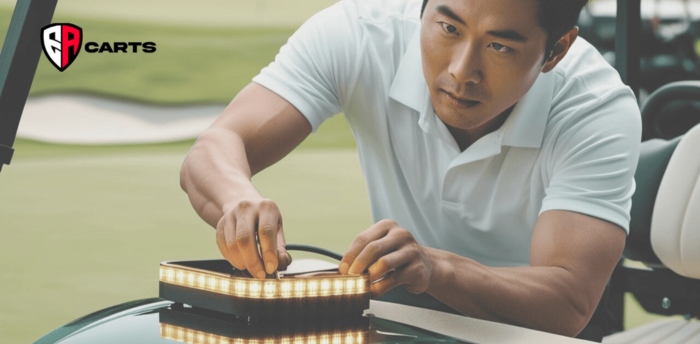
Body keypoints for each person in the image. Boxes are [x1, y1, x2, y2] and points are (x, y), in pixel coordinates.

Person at [180, 0, 641, 340]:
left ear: (556, 50)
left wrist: (435, 267)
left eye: (500, 46)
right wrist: (236, 198)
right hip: (402, 317)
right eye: (447, 27)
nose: (462, 72)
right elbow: (215, 148)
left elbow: (568, 302)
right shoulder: (357, 34)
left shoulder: (596, 107)